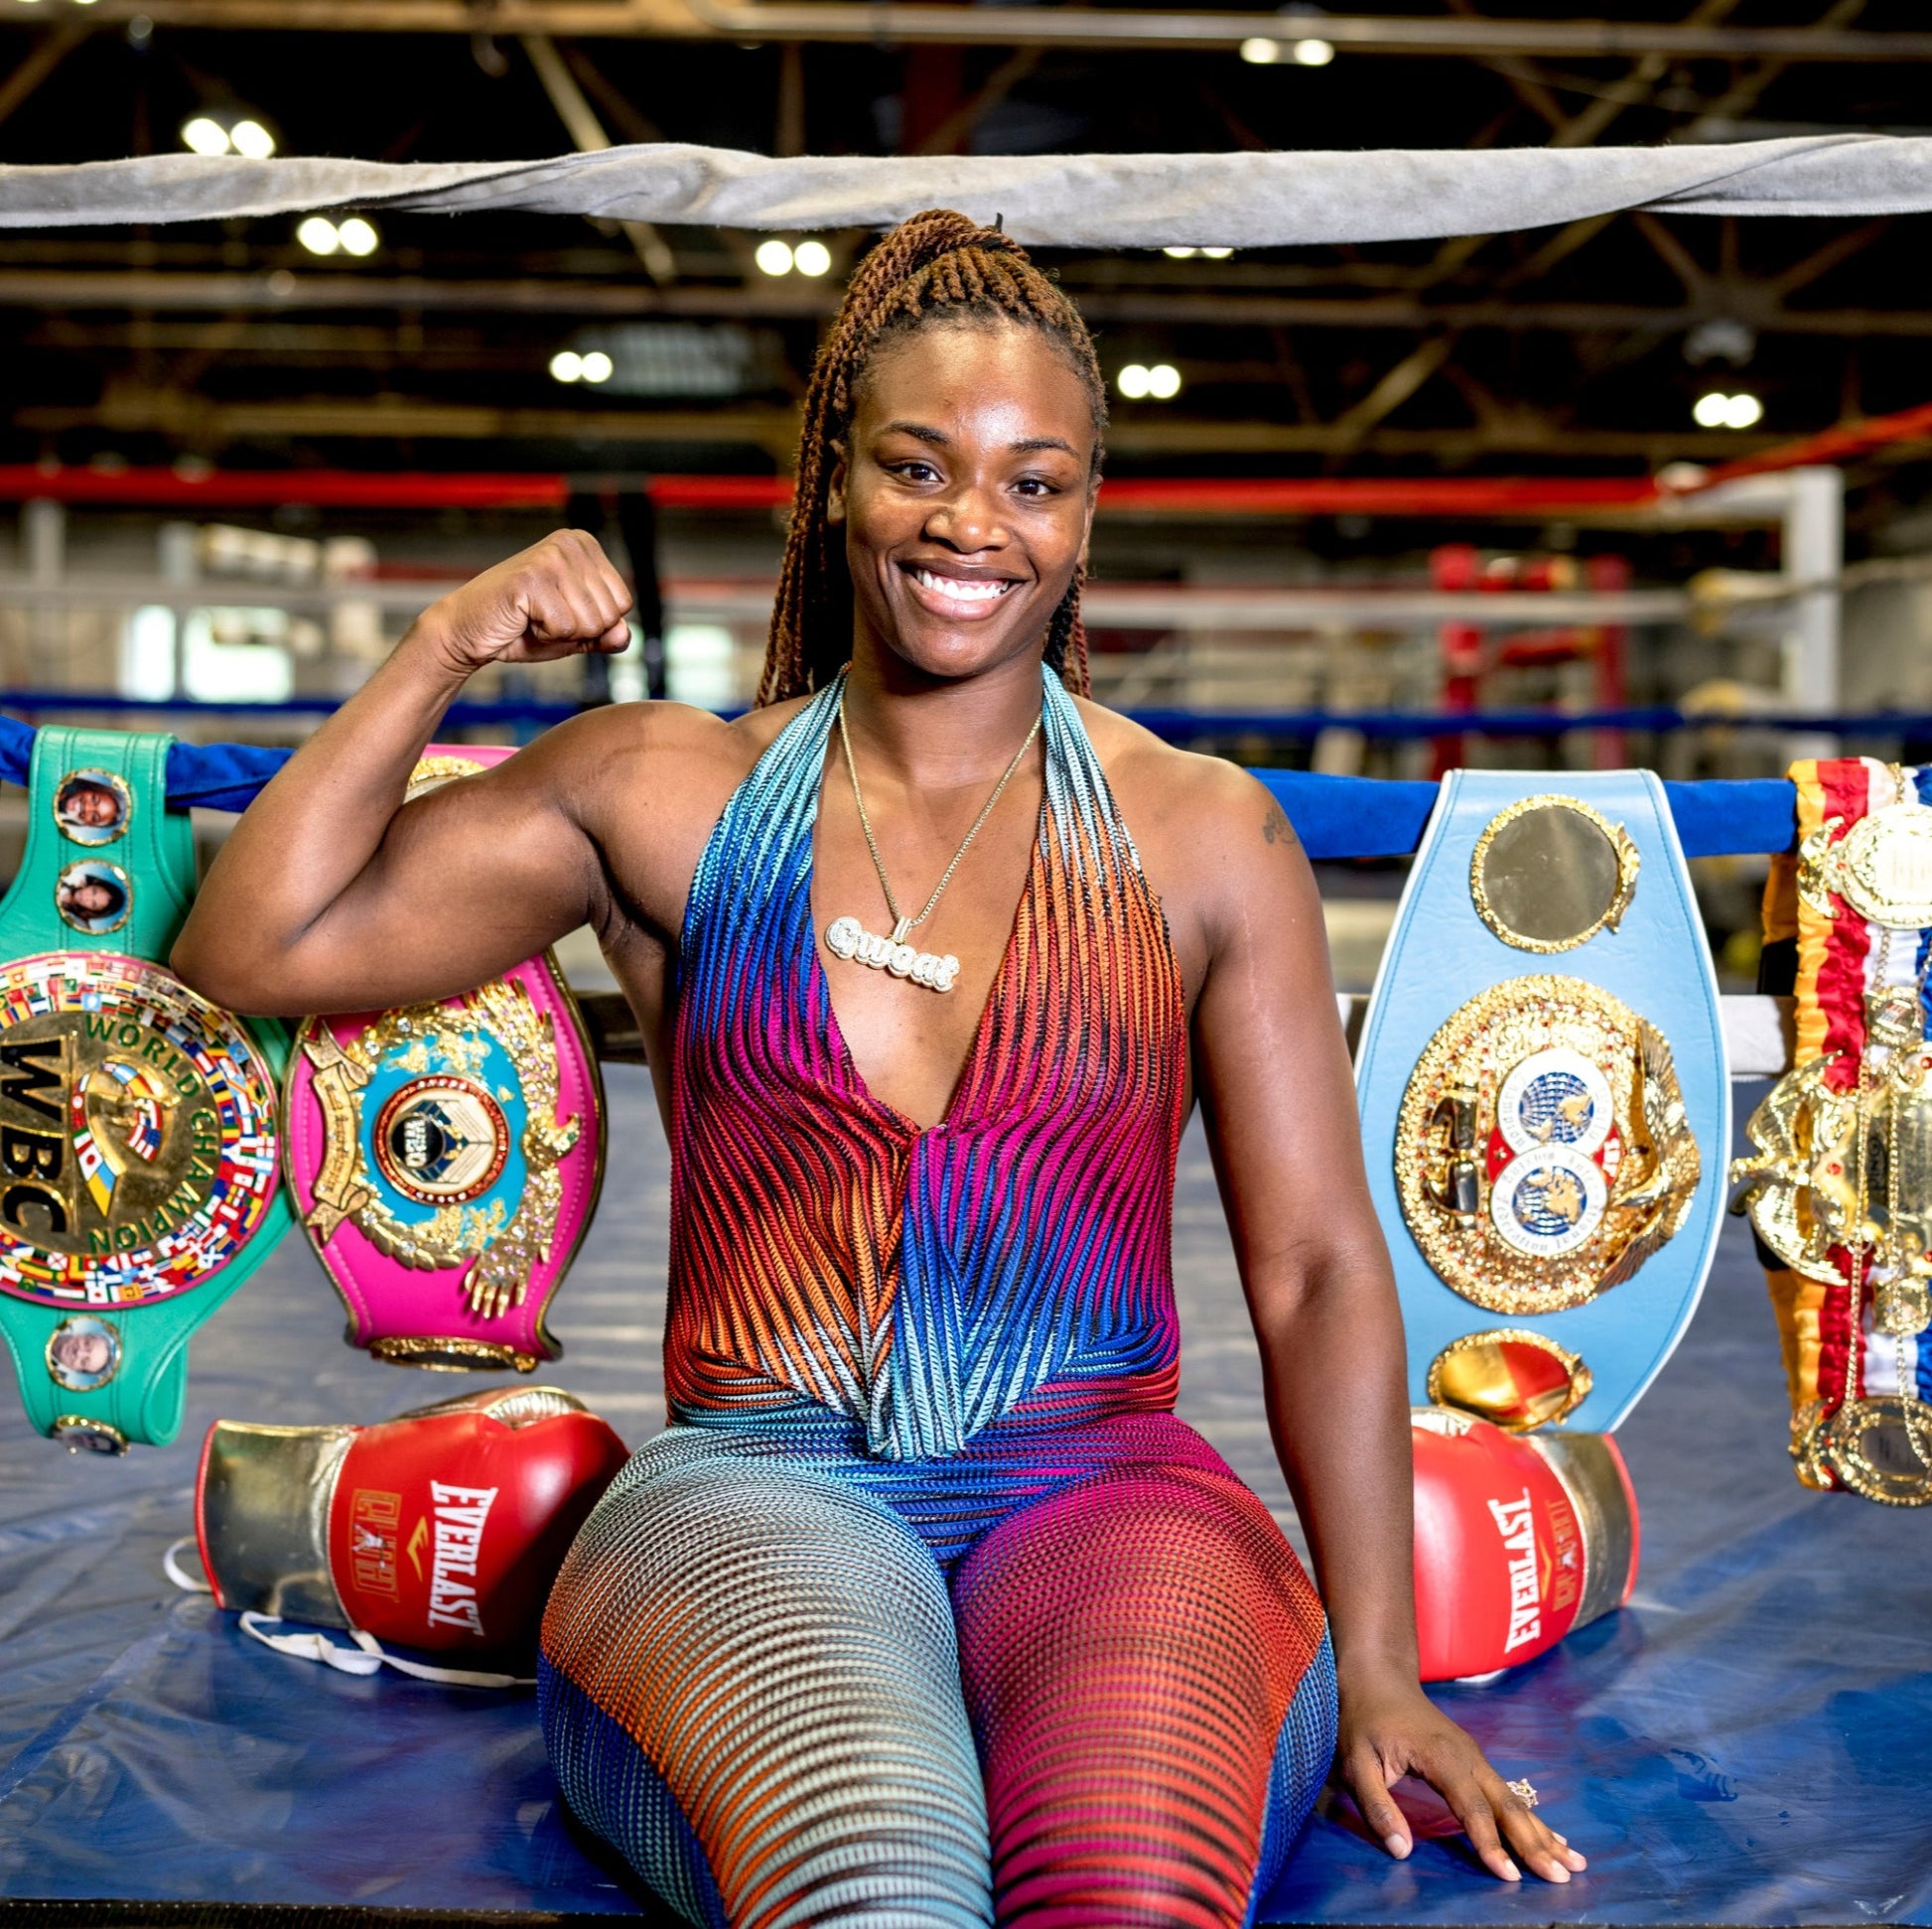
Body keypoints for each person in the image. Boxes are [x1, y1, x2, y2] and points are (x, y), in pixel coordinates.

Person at [175, 209, 1582, 1927]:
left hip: (1105, 1483)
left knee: (1127, 1890)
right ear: (835, 481)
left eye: (1030, 482)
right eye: (919, 464)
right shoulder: (662, 788)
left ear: (1080, 520)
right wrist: (443, 644)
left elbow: (1307, 1268)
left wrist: (1377, 1663)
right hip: (761, 1483)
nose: (968, 523)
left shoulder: (1202, 833)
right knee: (881, 1884)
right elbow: (252, 951)